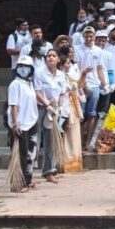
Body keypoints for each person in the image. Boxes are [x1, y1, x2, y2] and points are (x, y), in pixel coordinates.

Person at [34, 48, 66, 183]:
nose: (51, 58)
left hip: (54, 109)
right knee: (36, 138)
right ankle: (29, 169)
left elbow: (62, 93)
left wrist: (60, 108)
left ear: (58, 59)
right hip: (40, 107)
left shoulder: (61, 75)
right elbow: (37, 92)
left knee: (51, 139)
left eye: (53, 56)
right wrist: (47, 104)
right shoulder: (39, 73)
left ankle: (49, 170)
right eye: (48, 56)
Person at [8, 55, 39, 191]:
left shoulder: (30, 83)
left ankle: (27, 180)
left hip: (31, 121)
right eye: (20, 66)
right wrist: (15, 123)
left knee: (31, 153)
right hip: (20, 124)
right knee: (21, 153)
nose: (23, 69)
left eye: (26, 66)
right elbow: (13, 105)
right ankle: (18, 182)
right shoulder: (15, 84)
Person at [74, 26, 108, 151]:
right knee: (80, 114)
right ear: (83, 36)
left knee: (92, 114)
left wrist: (105, 84)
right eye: (86, 36)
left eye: (91, 36)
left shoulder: (98, 50)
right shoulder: (77, 49)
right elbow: (77, 68)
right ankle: (78, 143)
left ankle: (87, 142)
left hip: (94, 84)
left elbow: (99, 68)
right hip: (82, 85)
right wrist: (80, 83)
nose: (89, 38)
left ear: (94, 37)